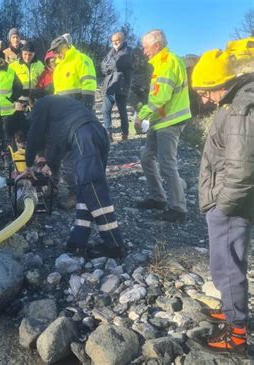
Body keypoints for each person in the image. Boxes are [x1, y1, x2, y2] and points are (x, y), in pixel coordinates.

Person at [190, 47, 253, 355]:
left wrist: (222, 205)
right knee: (225, 261)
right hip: (224, 200)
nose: (204, 99)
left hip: (229, 203)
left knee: (227, 265)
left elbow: (242, 168)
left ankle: (236, 334)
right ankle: (232, 311)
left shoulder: (241, 107)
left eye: (204, 92)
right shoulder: (235, 102)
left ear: (218, 85)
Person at [23, 95, 126, 258]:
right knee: (85, 189)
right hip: (98, 132)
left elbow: (35, 135)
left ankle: (114, 245)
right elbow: (58, 145)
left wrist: (28, 164)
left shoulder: (40, 104)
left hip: (83, 134)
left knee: (92, 187)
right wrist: (49, 163)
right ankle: (78, 242)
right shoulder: (60, 109)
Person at [134, 29, 191, 222]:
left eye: (145, 47)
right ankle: (158, 198)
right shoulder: (160, 63)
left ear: (156, 45)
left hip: (170, 122)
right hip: (160, 122)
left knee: (167, 164)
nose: (144, 51)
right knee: (146, 158)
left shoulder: (168, 62)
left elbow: (162, 96)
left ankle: (178, 208)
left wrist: (141, 116)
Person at [49, 33, 97, 110]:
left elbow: (89, 82)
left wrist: (88, 102)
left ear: (65, 45)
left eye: (57, 50)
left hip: (80, 106)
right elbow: (57, 90)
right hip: (63, 109)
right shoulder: (58, 67)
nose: (56, 54)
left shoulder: (80, 59)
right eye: (54, 52)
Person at [101, 31, 133, 141]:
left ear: (122, 40)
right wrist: (110, 66)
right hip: (109, 85)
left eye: (117, 41)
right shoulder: (111, 52)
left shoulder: (128, 51)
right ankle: (108, 133)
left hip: (121, 86)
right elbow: (102, 66)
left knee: (122, 111)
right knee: (105, 110)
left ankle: (125, 133)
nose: (115, 43)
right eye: (113, 41)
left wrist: (109, 65)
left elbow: (118, 63)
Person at [9, 41, 45, 139]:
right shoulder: (13, 66)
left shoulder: (39, 65)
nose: (27, 57)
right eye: (25, 54)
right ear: (22, 53)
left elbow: (44, 81)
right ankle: (20, 147)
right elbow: (8, 82)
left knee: (33, 122)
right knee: (19, 123)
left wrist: (39, 92)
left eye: (30, 54)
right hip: (19, 98)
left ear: (34, 54)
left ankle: (33, 144)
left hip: (34, 98)